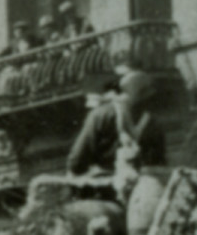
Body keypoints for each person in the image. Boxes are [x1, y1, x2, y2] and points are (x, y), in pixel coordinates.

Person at [67, 69, 166, 203]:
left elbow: (76, 163)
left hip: (105, 195)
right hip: (142, 196)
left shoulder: (100, 115)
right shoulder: (154, 125)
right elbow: (159, 167)